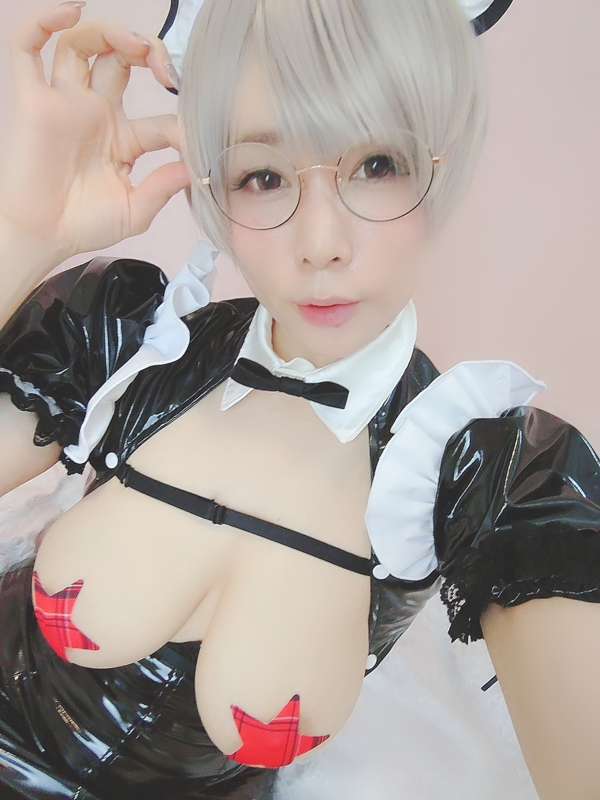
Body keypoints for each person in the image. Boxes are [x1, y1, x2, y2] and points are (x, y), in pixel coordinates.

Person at [0, 1, 598, 798]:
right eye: (264, 176)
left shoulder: (488, 469)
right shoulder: (130, 336)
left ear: (444, 162)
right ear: (213, 186)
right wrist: (23, 232)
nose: (321, 243)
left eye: (377, 164)